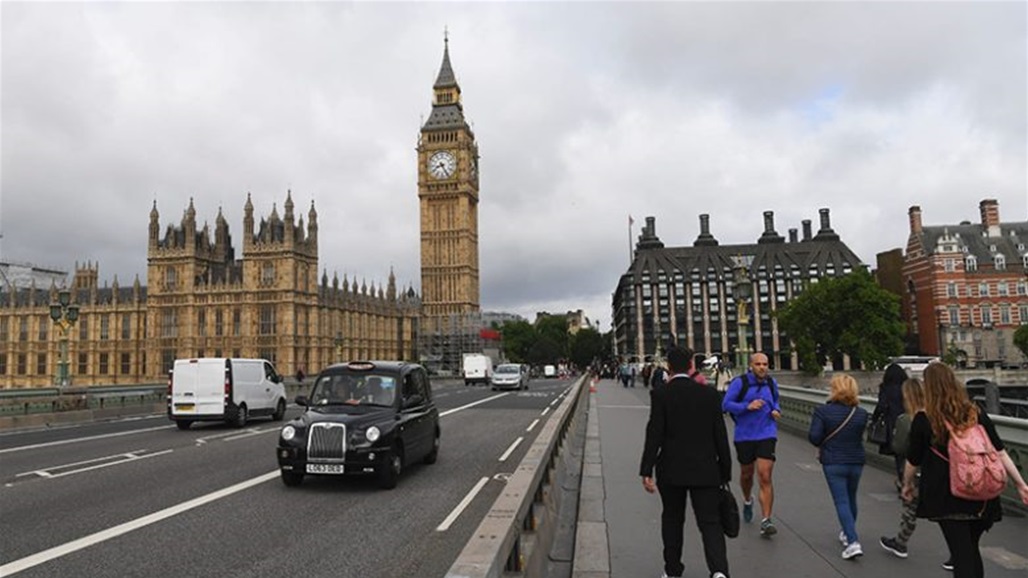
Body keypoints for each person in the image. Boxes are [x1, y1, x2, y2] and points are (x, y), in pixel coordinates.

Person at [903, 362, 1028, 578]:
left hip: (947, 496)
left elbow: (913, 460)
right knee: (970, 550)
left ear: (928, 388)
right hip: (982, 494)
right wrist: (1020, 484)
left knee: (961, 555)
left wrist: (907, 484)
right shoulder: (975, 412)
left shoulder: (924, 419)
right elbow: (999, 451)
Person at [640, 345, 732, 578]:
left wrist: (646, 469)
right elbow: (720, 436)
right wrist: (725, 470)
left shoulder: (661, 394)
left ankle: (672, 571)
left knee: (672, 519)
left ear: (669, 367)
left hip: (671, 469)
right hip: (706, 468)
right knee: (710, 522)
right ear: (691, 365)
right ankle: (719, 571)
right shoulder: (710, 394)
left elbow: (655, 433)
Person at [808, 374, 869, 560]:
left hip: (833, 461)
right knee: (851, 498)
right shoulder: (861, 413)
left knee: (841, 501)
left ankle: (852, 541)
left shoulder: (822, 411)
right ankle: (847, 531)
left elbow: (815, 437)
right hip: (856, 460)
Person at [721, 352, 780, 537]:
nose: (762, 367)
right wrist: (746, 406)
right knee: (747, 474)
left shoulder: (771, 383)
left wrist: (776, 411)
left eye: (765, 364)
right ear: (751, 366)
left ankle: (766, 520)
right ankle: (747, 500)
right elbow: (725, 404)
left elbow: (776, 401)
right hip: (745, 435)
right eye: (759, 364)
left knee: (764, 474)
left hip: (767, 433)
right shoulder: (740, 383)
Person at [880, 377, 931, 560]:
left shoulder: (906, 419)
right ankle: (956, 552)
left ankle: (901, 543)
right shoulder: (936, 416)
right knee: (944, 512)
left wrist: (905, 482)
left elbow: (900, 448)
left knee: (910, 509)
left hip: (916, 471)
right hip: (938, 470)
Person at [871, 363, 908, 489]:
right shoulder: (907, 387)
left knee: (899, 453)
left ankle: (902, 479)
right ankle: (910, 479)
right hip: (908, 421)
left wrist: (874, 419)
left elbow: (881, 406)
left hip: (893, 423)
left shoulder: (886, 388)